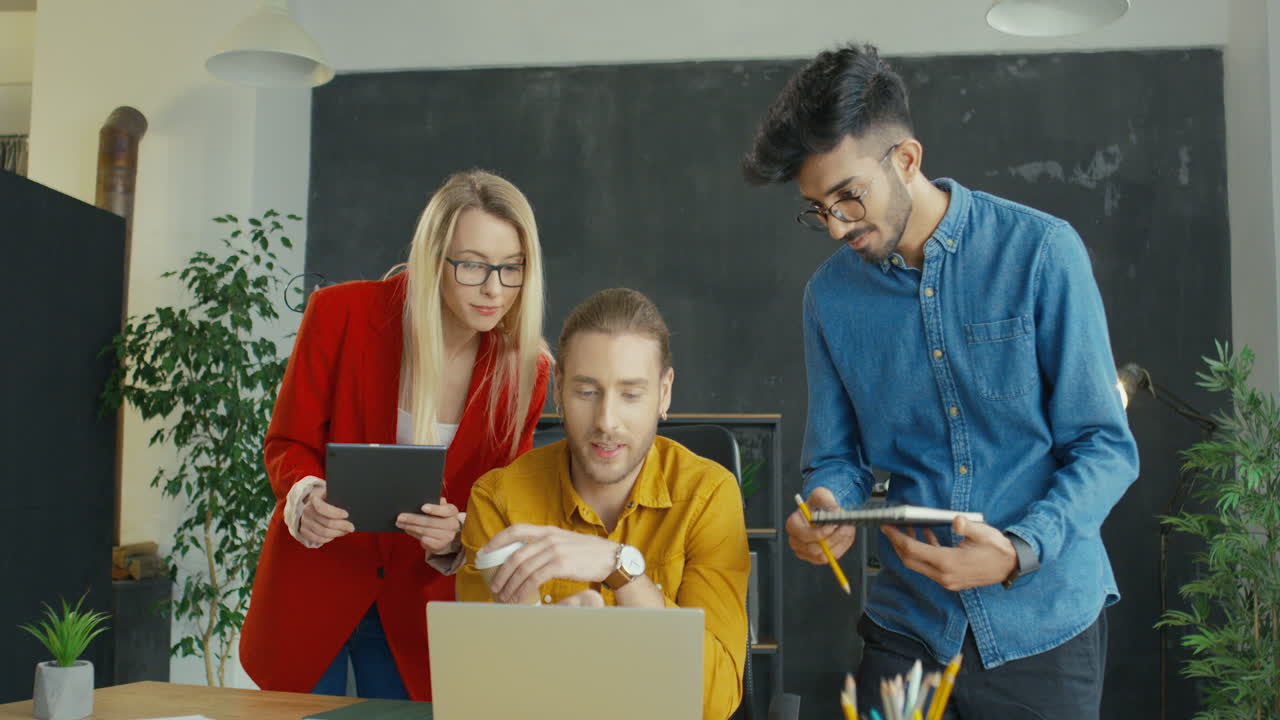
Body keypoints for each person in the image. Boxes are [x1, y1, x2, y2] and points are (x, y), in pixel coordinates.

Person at [742, 44, 1139, 719]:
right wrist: (822, 508)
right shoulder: (829, 299)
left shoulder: (1041, 253)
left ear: (906, 160)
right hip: (909, 630)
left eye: (848, 197)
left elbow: (1106, 446)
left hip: (1043, 628)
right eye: (818, 208)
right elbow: (837, 461)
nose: (836, 225)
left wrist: (1018, 551)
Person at [239, 169, 552, 701]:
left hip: (418, 611)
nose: (493, 288)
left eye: (511, 268)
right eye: (473, 265)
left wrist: (458, 535)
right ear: (435, 257)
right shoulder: (340, 314)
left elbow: (500, 503)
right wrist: (305, 495)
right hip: (312, 588)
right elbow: (288, 442)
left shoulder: (526, 371)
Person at [455, 288, 749, 720]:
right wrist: (537, 637)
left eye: (631, 394)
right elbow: (478, 695)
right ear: (558, 389)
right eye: (587, 392)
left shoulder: (710, 496)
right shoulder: (499, 500)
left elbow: (714, 700)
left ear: (664, 393)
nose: (606, 421)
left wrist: (620, 568)